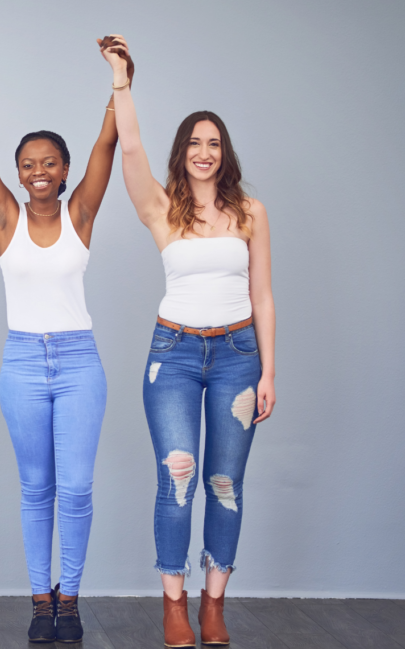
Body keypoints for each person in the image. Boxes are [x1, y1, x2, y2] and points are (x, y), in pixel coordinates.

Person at [0, 28, 134, 644]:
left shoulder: (82, 215)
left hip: (77, 361)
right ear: (18, 173)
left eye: (49, 163)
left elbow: (108, 141)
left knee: (76, 487)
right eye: (29, 164)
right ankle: (40, 601)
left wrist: (120, 79)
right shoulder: (3, 217)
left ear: (65, 171)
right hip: (21, 361)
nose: (38, 171)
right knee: (36, 488)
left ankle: (71, 599)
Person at [103, 34, 276, 648]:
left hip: (237, 357)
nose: (204, 152)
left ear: (224, 153)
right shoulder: (161, 207)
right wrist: (122, 82)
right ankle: (174, 604)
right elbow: (130, 148)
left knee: (225, 484)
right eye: (195, 143)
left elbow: (262, 298)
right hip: (173, 355)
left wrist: (269, 373)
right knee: (176, 476)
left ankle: (213, 604)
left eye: (214, 143)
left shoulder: (250, 211)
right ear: (183, 152)